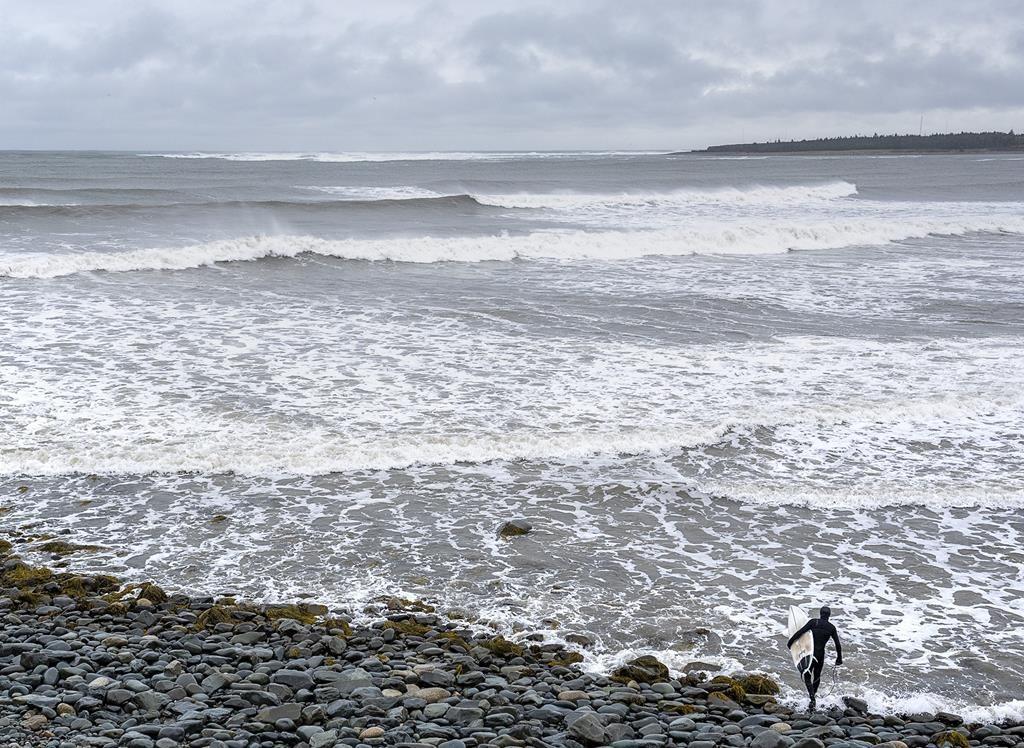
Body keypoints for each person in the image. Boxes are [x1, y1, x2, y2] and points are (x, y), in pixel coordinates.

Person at [787, 605, 843, 711]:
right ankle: (813, 698)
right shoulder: (831, 627)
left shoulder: (814, 622)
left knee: (807, 676)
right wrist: (839, 658)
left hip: (810, 653)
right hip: (820, 654)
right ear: (829, 615)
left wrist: (790, 642)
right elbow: (838, 644)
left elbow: (800, 632)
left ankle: (812, 698)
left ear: (820, 614)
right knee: (817, 676)